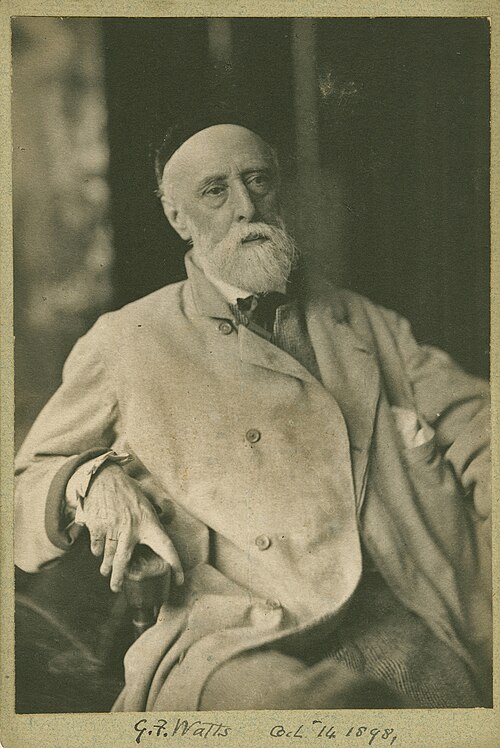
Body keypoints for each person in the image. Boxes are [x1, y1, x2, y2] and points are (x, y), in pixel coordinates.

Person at [15, 112, 491, 711]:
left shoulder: (360, 321)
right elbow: (24, 492)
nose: (246, 206)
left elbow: (479, 423)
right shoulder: (128, 341)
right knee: (300, 711)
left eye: (258, 181)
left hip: (396, 605)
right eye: (216, 191)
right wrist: (89, 479)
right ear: (177, 218)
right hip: (232, 633)